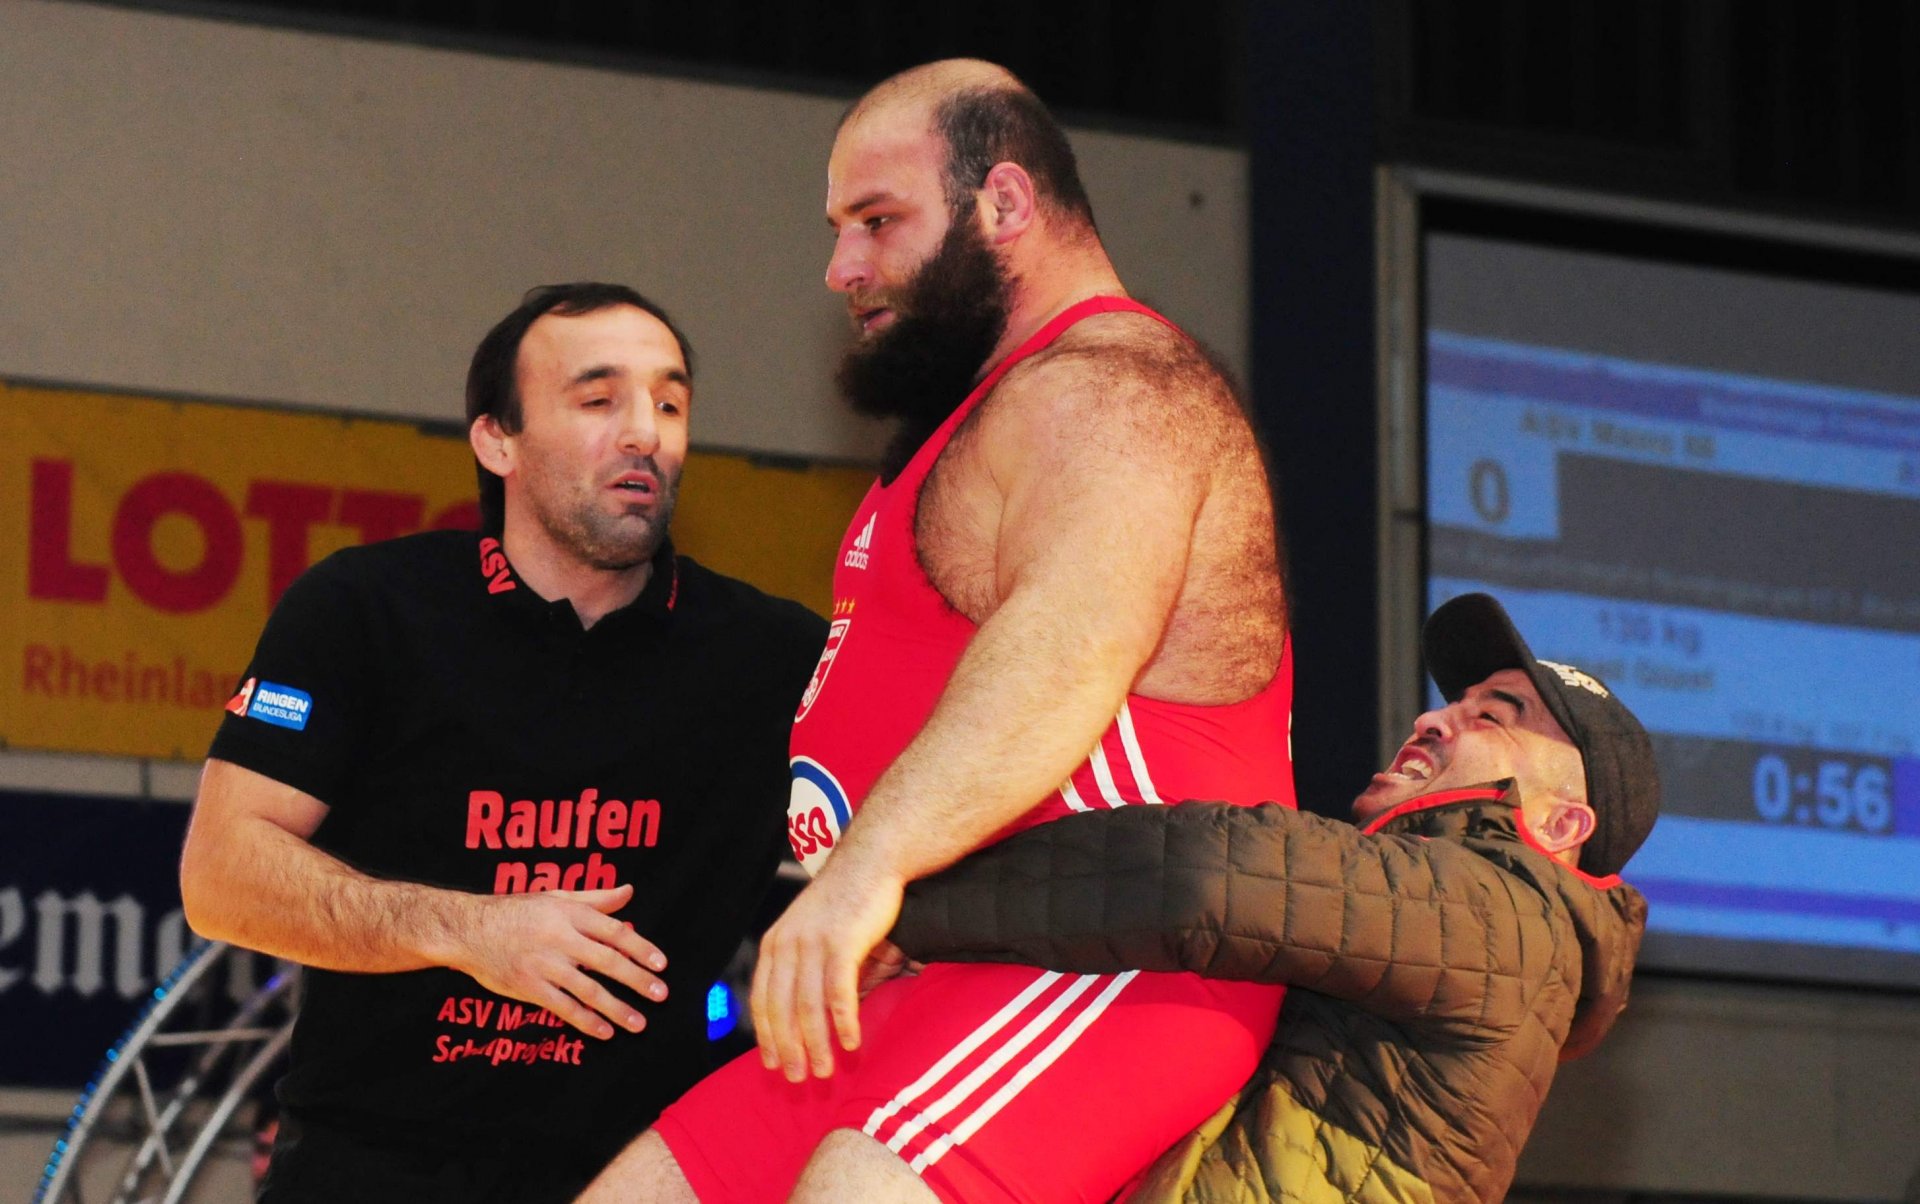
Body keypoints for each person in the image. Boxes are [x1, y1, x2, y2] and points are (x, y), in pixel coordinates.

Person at [584, 58, 1296, 1203]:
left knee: (855, 1190)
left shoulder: (1117, 387)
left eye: (878, 221)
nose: (841, 268)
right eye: (838, 230)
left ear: (1003, 202)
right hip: (949, 962)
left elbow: (1069, 645)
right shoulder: (979, 415)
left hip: (1114, 955)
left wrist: (867, 869)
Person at [177, 283, 826, 1203]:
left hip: (630, 1180)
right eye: (598, 400)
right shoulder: (367, 610)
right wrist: (475, 931)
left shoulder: (777, 657)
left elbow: (919, 847)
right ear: (497, 440)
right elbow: (220, 877)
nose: (643, 432)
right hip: (368, 1171)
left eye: (669, 404)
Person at [888, 591, 1661, 1203]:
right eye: (1454, 701)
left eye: (1490, 716)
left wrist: (901, 903)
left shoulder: (1510, 919)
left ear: (1561, 824)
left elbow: (1199, 878)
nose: (1430, 718)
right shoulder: (1473, 942)